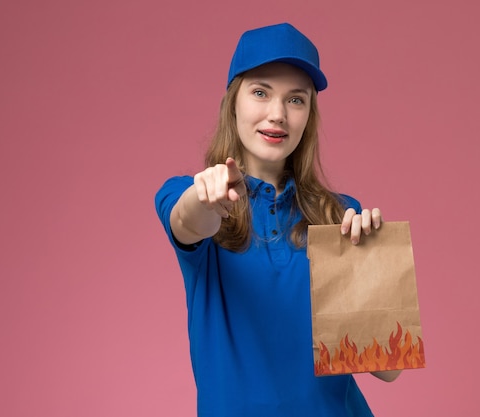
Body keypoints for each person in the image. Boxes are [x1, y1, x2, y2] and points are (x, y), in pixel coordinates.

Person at [155, 22, 401, 416]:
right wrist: (206, 198)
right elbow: (190, 221)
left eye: (296, 100)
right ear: (233, 101)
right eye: (260, 92)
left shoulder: (339, 213)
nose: (278, 114)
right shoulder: (185, 193)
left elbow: (388, 371)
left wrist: (372, 272)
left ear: (308, 115)